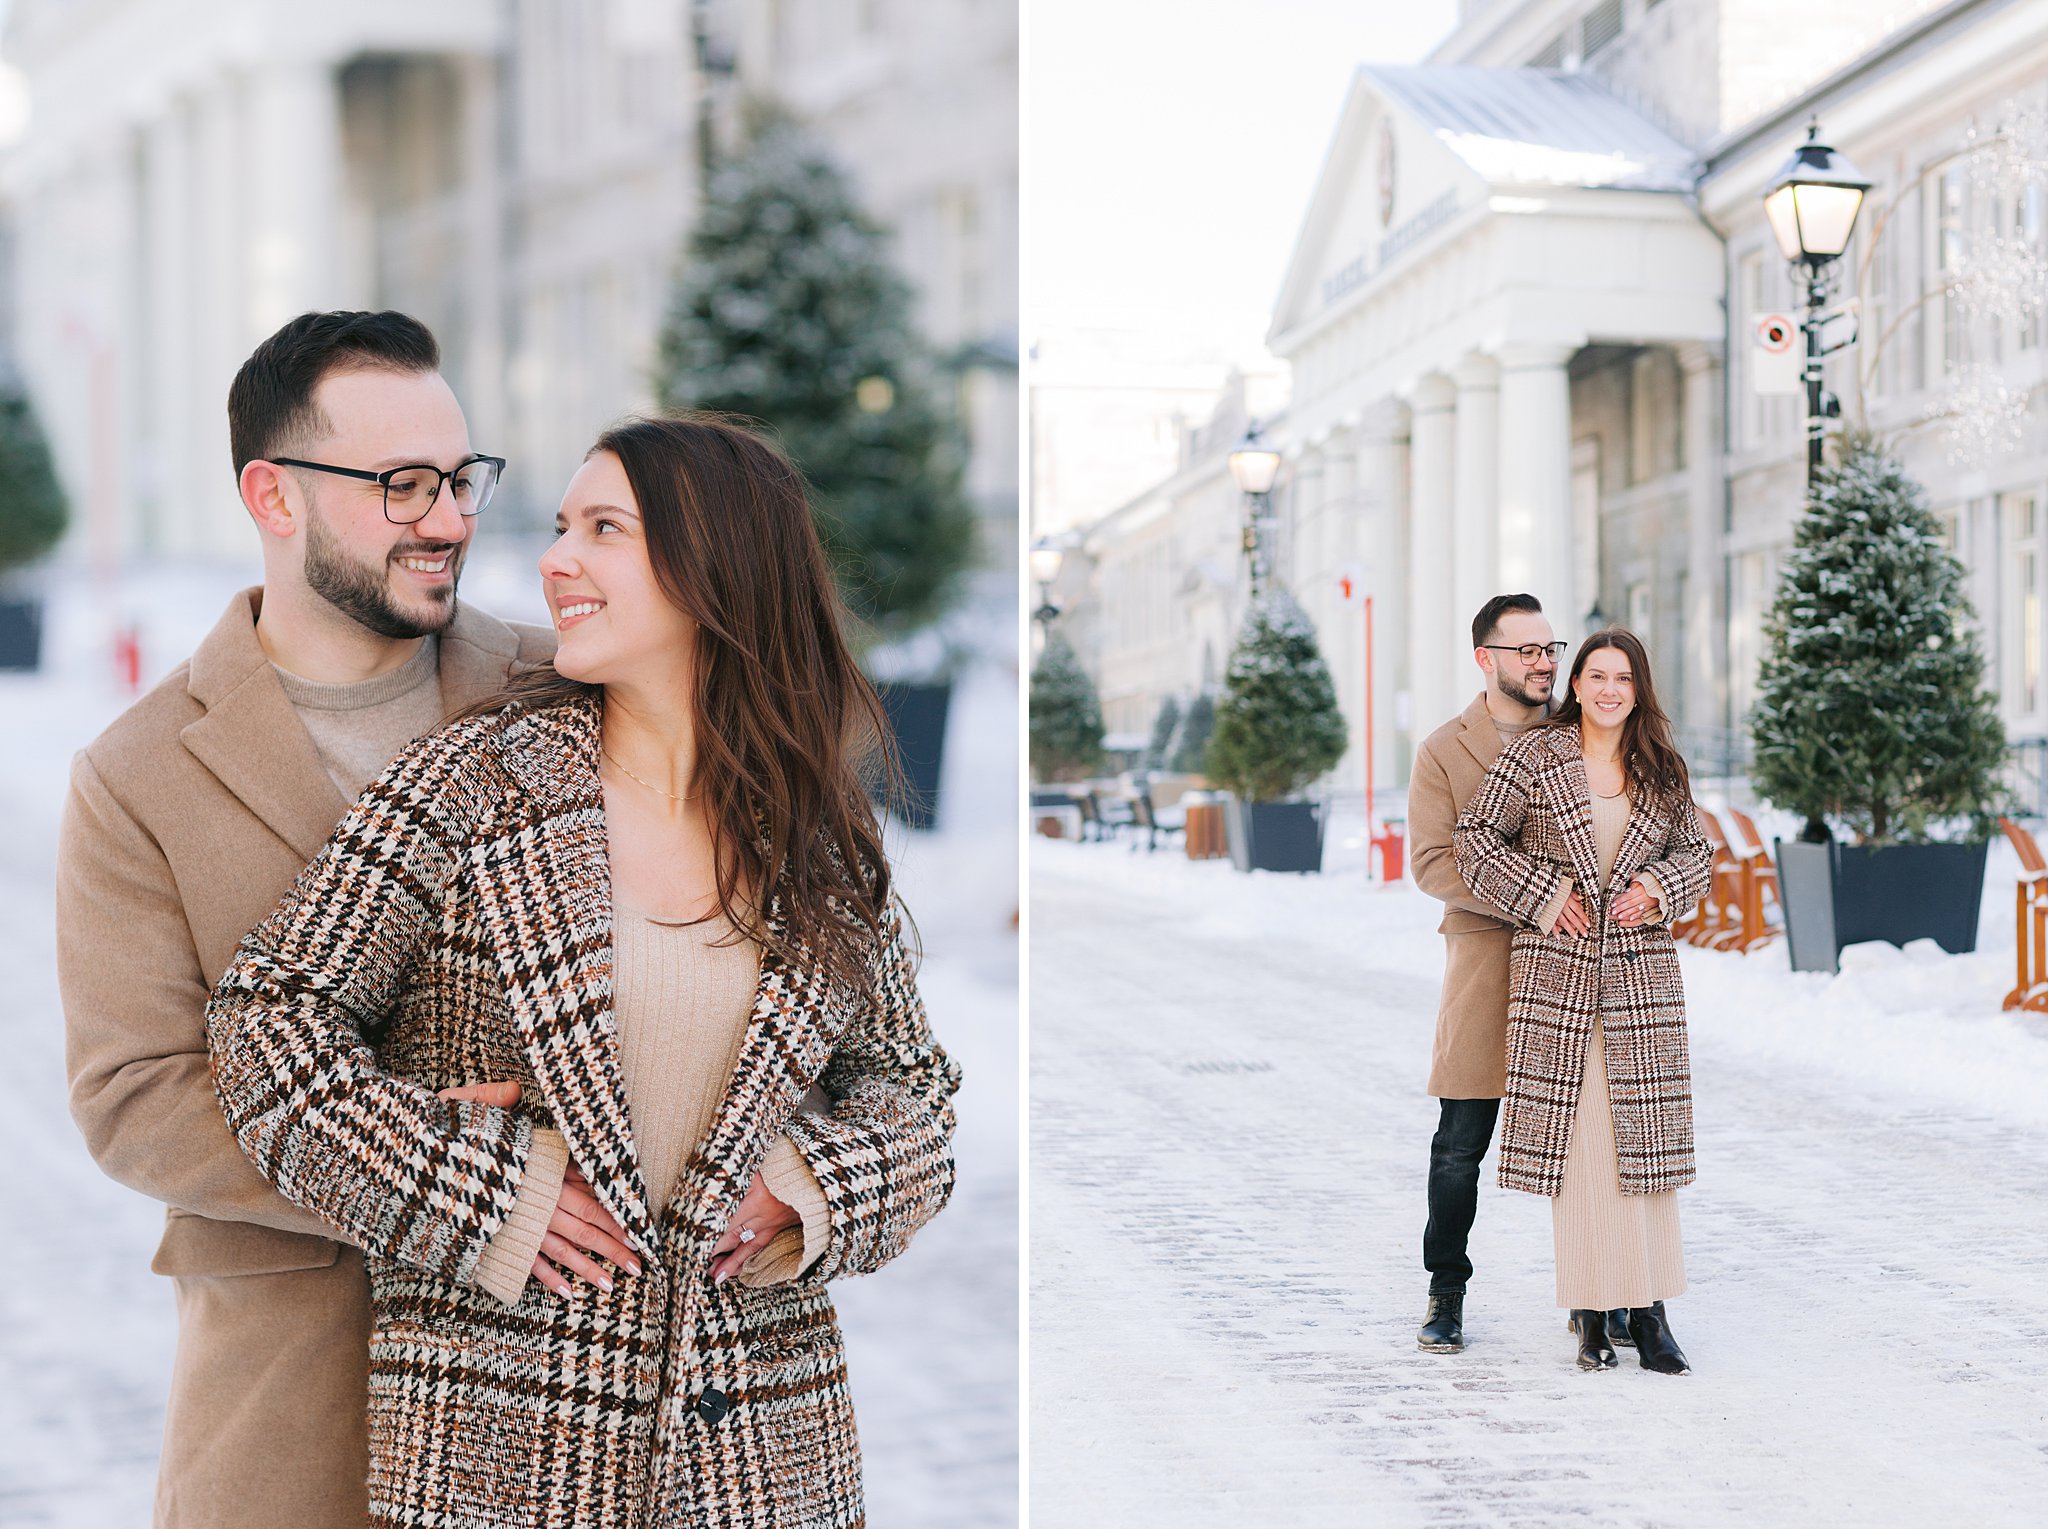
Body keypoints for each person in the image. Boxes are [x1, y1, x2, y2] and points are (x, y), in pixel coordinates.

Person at [205, 413, 960, 1527]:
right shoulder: (474, 784)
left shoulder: (814, 840)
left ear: (722, 569)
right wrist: (472, 1186)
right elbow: (268, 1021)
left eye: (604, 527)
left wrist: (811, 1191)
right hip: (495, 1447)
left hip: (761, 1456)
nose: (555, 559)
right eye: (561, 526)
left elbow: (917, 1096)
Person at [56, 310, 553, 1528]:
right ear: (274, 496)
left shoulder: (560, 691)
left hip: (555, 1399)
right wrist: (449, 1171)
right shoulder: (138, 772)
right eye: (400, 484)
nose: (448, 518)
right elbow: (136, 1100)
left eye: (457, 477)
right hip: (292, 1408)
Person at [1452, 628, 1712, 1375]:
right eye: (1595, 674)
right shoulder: (1537, 756)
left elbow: (1697, 853)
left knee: (1647, 1148)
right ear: (1575, 684)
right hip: (1558, 978)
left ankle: (1653, 1312)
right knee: (1585, 1148)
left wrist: (1660, 887)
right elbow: (1475, 840)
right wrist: (1543, 893)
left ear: (1639, 688)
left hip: (1639, 981)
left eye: (1621, 677)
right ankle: (1592, 1312)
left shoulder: (1661, 767)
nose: (1607, 689)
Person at [1409, 593, 1631, 1354]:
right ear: (1486, 658)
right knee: (1459, 1144)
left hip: (1576, 968)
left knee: (1588, 1141)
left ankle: (1597, 1296)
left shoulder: (1584, 736)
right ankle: (1446, 1291)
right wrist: (1539, 896)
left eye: (1549, 647)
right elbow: (1434, 862)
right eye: (1527, 650)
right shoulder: (1444, 749)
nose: (1544, 662)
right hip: (1485, 966)